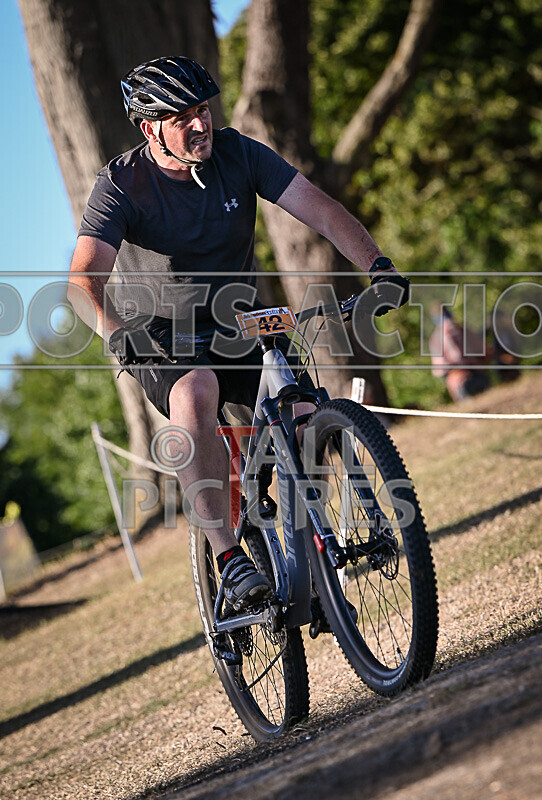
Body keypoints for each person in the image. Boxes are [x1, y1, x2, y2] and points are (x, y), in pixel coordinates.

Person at [68, 56, 409, 611]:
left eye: (203, 109)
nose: (200, 124)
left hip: (238, 320)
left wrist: (378, 266)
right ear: (150, 127)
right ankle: (228, 559)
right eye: (182, 117)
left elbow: (319, 210)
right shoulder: (122, 183)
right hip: (159, 336)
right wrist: (116, 331)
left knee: (304, 415)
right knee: (195, 391)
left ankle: (310, 550)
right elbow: (82, 281)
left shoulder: (238, 152)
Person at [429, 307, 490, 402]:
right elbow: (484, 351)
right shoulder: (462, 329)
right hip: (475, 377)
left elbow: (439, 370)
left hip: (461, 382)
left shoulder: (435, 337)